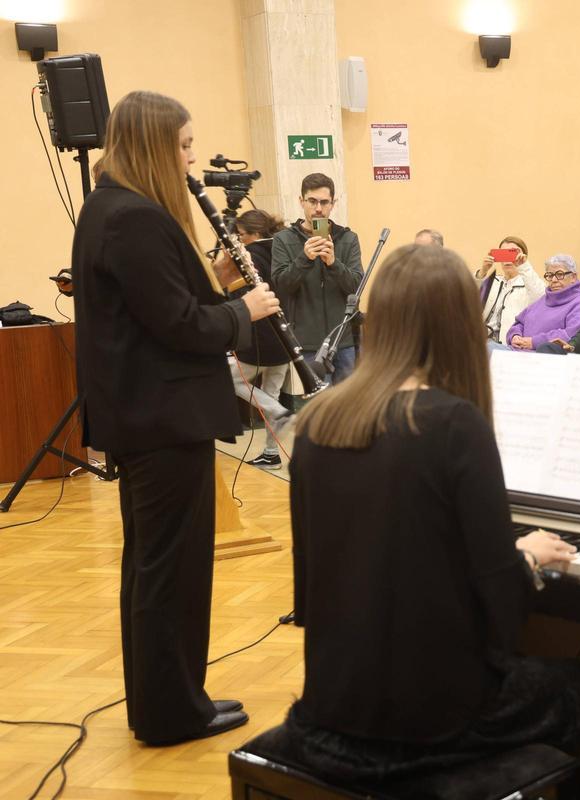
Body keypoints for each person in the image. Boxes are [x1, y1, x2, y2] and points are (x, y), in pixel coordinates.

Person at [286, 243, 580, 781]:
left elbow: (310, 591)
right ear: (461, 323)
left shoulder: (319, 420)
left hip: (329, 705)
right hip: (430, 723)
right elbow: (500, 611)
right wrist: (523, 557)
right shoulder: (454, 424)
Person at [73, 90, 280, 745]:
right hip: (163, 421)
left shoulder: (110, 209)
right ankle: (170, 713)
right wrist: (242, 311)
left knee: (157, 567)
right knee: (170, 572)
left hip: (148, 419)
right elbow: (180, 326)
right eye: (185, 145)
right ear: (155, 146)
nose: (192, 159)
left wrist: (215, 281)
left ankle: (170, 701)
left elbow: (160, 307)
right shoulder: (135, 217)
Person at [272, 173, 364, 385]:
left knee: (346, 405)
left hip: (344, 341)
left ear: (333, 204)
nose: (318, 209)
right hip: (308, 343)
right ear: (301, 201)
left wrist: (333, 263)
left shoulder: (349, 239)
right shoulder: (283, 240)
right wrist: (304, 258)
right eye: (312, 201)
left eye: (324, 202)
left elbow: (356, 287)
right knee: (319, 407)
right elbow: (281, 286)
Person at [218, 209, 292, 469]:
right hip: (285, 337)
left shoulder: (253, 256)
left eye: (241, 236)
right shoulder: (285, 249)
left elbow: (234, 296)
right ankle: (272, 454)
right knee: (270, 393)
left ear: (255, 234)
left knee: (228, 379)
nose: (238, 241)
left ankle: (279, 412)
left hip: (260, 339)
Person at [502, 254, 580, 351]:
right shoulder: (543, 299)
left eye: (559, 275)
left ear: (573, 277)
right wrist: (515, 336)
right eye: (550, 275)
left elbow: (571, 335)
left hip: (543, 357)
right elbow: (519, 323)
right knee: (487, 348)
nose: (553, 280)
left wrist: (533, 342)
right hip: (516, 350)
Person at [475, 235, 546, 348]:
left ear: (523, 257)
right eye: (504, 254)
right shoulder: (494, 281)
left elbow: (541, 297)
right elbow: (469, 300)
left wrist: (524, 266)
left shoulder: (529, 284)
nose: (507, 259)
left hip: (508, 345)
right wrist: (482, 272)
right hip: (480, 342)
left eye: (512, 253)